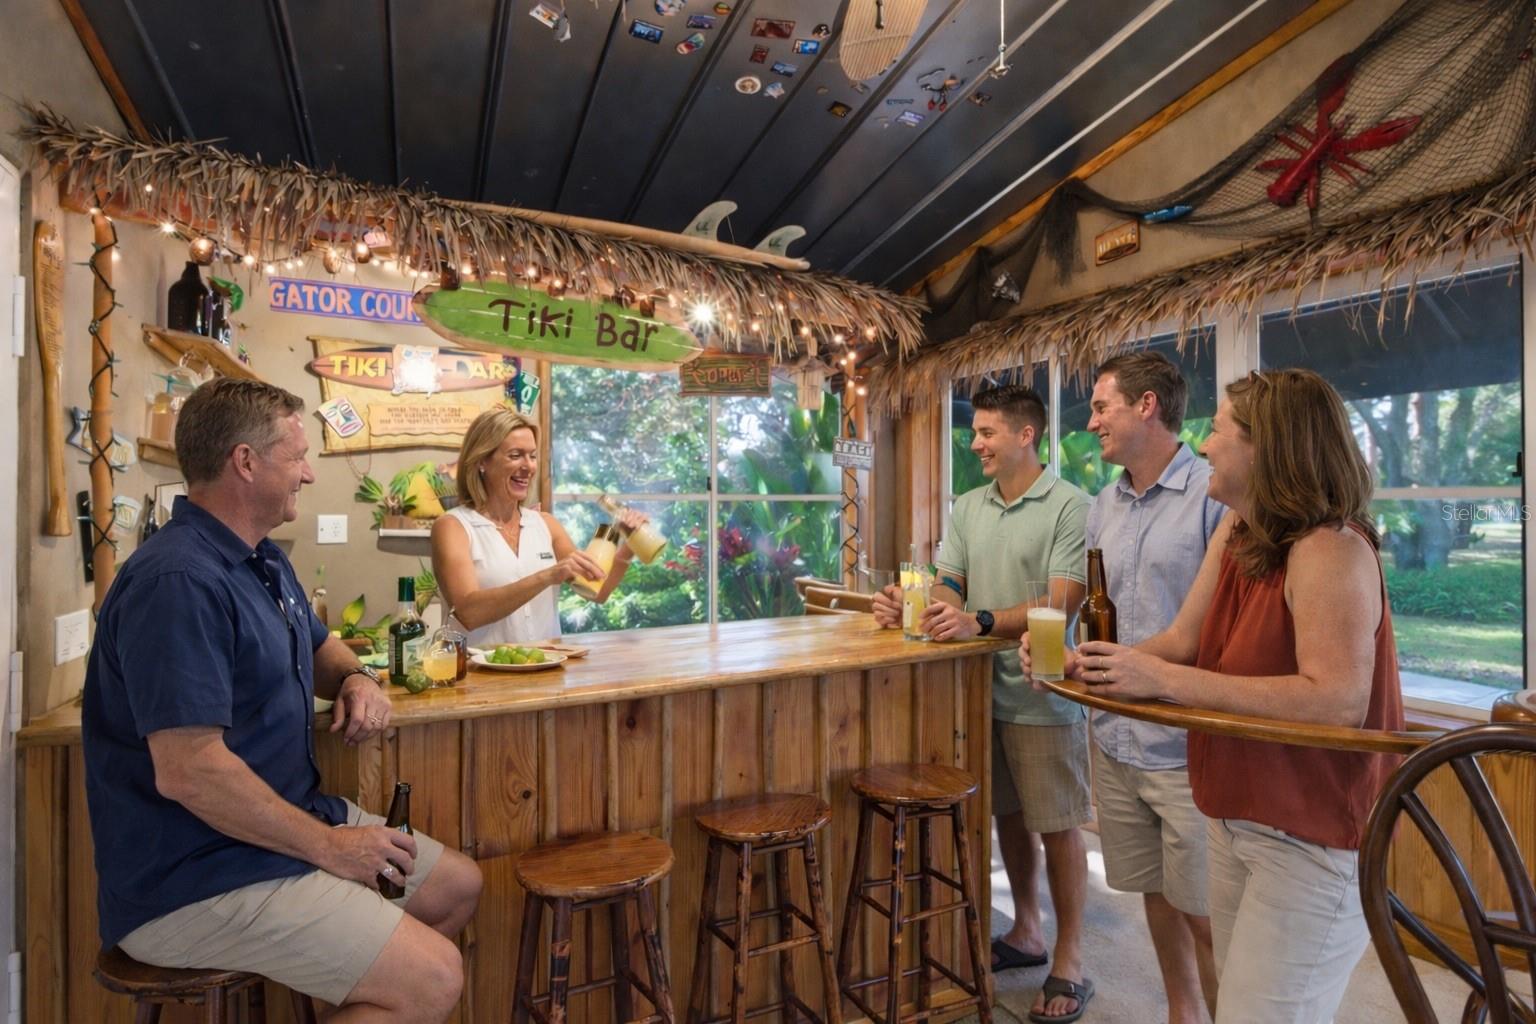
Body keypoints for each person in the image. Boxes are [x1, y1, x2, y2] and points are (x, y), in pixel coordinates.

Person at [83, 377, 483, 1022]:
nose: (308, 474)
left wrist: (356, 678)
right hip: (193, 872)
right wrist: (330, 848)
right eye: (297, 457)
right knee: (434, 979)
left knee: (456, 888)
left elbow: (324, 650)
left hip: (276, 830)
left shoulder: (261, 559)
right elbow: (189, 771)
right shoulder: (177, 580)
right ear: (245, 461)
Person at [1040, 368, 1405, 1023]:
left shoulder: (1331, 548)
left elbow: (1337, 700)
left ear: (1270, 447)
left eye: (1217, 431)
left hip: (1311, 833)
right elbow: (1182, 641)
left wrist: (1162, 682)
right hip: (1237, 815)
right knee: (1236, 999)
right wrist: (1089, 665)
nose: (1204, 445)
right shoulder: (1239, 532)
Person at [873, 384, 1094, 1024]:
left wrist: (980, 620)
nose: (975, 445)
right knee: (1008, 816)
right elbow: (951, 582)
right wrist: (920, 603)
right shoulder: (968, 506)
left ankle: (1071, 958)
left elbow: (1064, 599)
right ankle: (1027, 930)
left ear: (1026, 435)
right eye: (974, 433)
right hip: (974, 692)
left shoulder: (1071, 505)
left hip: (1043, 686)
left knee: (1058, 824)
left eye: (987, 432)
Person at [1081, 352, 1225, 1023]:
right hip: (1115, 738)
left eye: (1100, 407)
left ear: (1146, 405)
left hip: (1186, 747)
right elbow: (1097, 608)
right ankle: (1181, 1012)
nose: (1091, 423)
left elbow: (1217, 627)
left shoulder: (1214, 495)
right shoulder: (1103, 504)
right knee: (1157, 893)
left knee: (1207, 914)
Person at [432, 406, 650, 647]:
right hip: (477, 670)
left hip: (547, 667)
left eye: (532, 456)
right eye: (515, 455)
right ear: (482, 461)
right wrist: (548, 576)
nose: (529, 467)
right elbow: (468, 613)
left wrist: (628, 545)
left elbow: (597, 591)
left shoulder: (546, 525)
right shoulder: (453, 526)